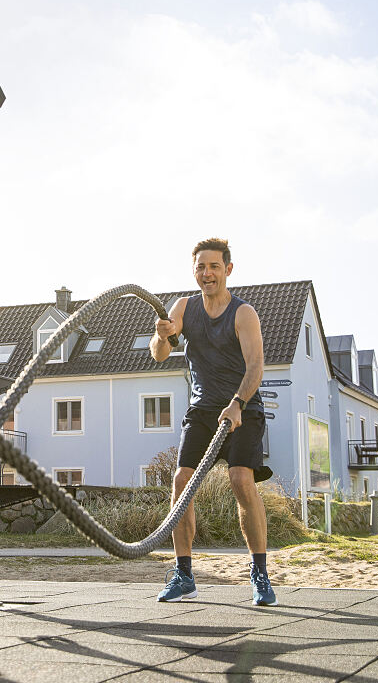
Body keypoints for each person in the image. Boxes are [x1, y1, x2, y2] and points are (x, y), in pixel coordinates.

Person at [151, 237, 276, 606]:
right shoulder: (184, 307)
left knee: (241, 479)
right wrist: (161, 336)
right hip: (203, 410)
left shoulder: (243, 313)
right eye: (201, 267)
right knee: (181, 481)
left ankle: (259, 573)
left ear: (228, 270)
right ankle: (184, 575)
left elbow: (256, 367)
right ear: (194, 272)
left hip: (244, 408)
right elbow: (159, 355)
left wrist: (237, 404)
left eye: (214, 267)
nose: (207, 273)